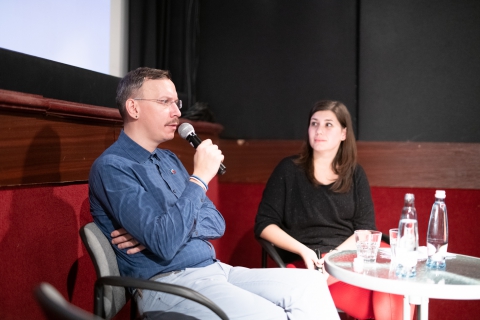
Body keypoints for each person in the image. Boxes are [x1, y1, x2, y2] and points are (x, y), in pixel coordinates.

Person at [89, 67, 339, 320]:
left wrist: (173, 229)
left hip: (215, 270)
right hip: (171, 283)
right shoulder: (114, 166)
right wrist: (198, 180)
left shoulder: (168, 159)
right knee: (272, 316)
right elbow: (164, 243)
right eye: (165, 102)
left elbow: (216, 223)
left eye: (177, 102)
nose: (177, 112)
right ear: (133, 108)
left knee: (310, 284)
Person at [254, 100, 413, 320]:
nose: (319, 130)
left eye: (329, 124)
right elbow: (264, 224)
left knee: (396, 285)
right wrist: (304, 250)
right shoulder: (288, 169)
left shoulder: (355, 173)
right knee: (389, 296)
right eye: (314, 123)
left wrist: (336, 259)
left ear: (343, 133)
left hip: (349, 261)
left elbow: (366, 229)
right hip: (309, 262)